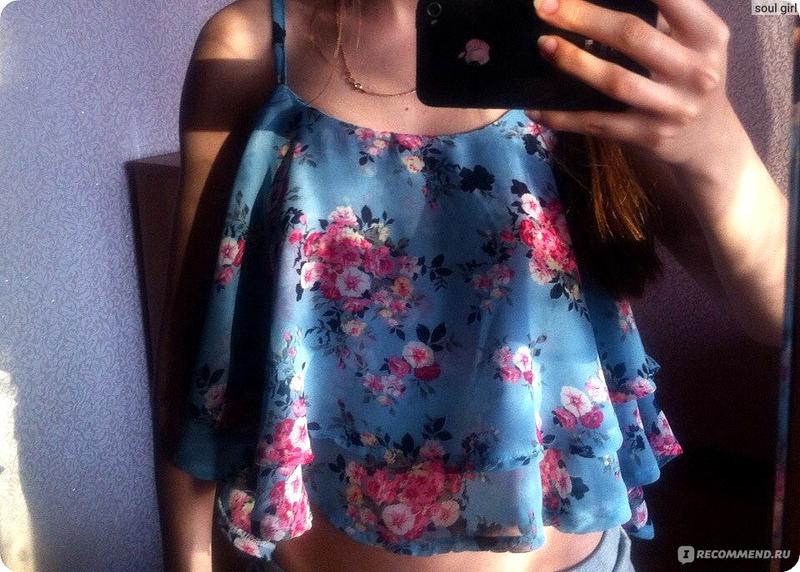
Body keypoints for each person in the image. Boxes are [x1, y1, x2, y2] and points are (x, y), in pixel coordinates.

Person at [153, 0, 788, 571]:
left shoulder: (588, 40)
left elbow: (777, 312)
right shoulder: (250, 48)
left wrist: (715, 141)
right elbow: (193, 350)